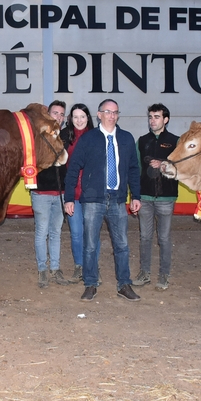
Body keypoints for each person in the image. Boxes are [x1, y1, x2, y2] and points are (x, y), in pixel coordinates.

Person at [64, 99, 142, 302]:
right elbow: (73, 168)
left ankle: (124, 284)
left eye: (115, 112)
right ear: (99, 115)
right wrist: (69, 197)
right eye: (107, 112)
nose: (112, 115)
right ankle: (90, 283)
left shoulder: (125, 138)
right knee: (90, 244)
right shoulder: (88, 139)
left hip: (117, 199)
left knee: (122, 245)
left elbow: (134, 169)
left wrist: (135, 196)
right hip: (92, 201)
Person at [135, 103, 180, 291]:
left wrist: (163, 163)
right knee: (145, 237)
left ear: (166, 119)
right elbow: (136, 169)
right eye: (150, 117)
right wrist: (135, 195)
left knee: (164, 238)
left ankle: (164, 274)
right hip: (145, 197)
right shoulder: (142, 141)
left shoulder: (176, 142)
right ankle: (144, 273)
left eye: (156, 117)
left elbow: (181, 168)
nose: (152, 120)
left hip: (166, 198)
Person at [31, 100, 71, 288]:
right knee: (42, 232)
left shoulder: (65, 136)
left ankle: (55, 269)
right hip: (42, 192)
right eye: (56, 113)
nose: (59, 117)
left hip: (60, 192)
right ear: (48, 114)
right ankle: (42, 270)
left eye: (62, 114)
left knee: (56, 232)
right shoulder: (39, 136)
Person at [60, 103, 94, 283]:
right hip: (72, 191)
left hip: (91, 193)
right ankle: (79, 266)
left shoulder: (97, 136)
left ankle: (92, 267)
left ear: (88, 117)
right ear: (70, 119)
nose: (79, 120)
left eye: (82, 116)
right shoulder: (65, 136)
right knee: (76, 232)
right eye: (75, 117)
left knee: (91, 232)